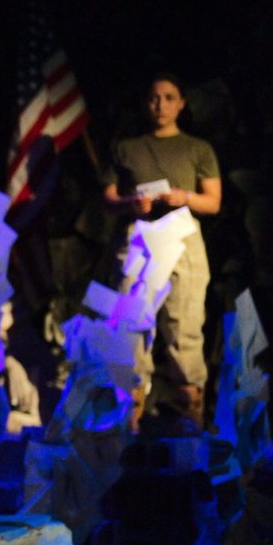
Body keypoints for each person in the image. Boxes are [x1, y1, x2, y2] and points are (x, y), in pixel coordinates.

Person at [101, 72, 221, 429]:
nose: (161, 105)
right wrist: (129, 203)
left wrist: (185, 197)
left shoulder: (197, 148)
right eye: (155, 98)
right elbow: (107, 199)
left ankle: (191, 416)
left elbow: (213, 201)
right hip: (139, 236)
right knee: (130, 320)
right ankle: (129, 417)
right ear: (145, 103)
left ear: (181, 103)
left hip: (182, 236)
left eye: (169, 98)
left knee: (184, 321)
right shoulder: (126, 147)